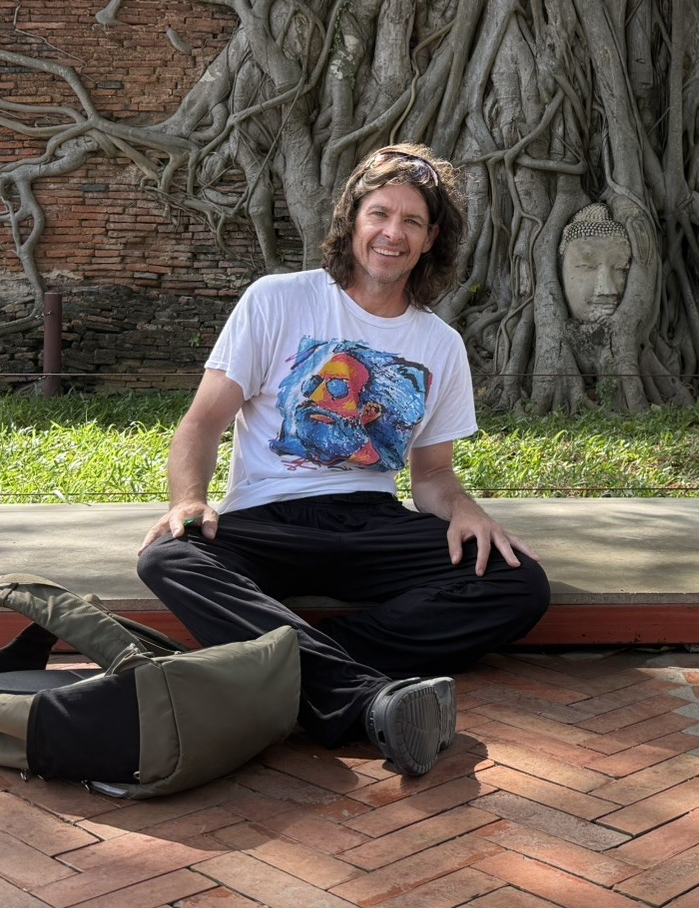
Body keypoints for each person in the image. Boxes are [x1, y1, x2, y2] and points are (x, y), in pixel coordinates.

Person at [137, 143, 550, 775]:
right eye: (380, 214)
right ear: (351, 220)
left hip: (370, 521)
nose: (393, 233)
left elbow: (432, 475)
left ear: (432, 238)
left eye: (412, 222)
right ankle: (361, 699)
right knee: (169, 555)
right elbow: (202, 423)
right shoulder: (278, 300)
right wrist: (189, 500)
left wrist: (467, 512)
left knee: (517, 582)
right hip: (269, 521)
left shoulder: (439, 344)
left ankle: (301, 672)